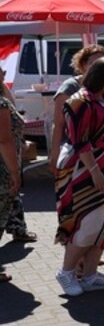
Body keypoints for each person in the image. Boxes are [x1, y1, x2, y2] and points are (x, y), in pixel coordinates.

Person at [54, 58, 104, 296]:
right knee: (86, 223)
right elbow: (80, 141)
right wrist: (95, 171)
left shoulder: (103, 99)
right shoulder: (80, 101)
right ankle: (67, 272)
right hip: (84, 169)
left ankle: (90, 275)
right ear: (99, 76)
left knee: (101, 223)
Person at [49, 45, 104, 176]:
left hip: (101, 152)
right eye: (93, 63)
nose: (98, 68)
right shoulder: (70, 88)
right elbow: (58, 124)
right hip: (74, 151)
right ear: (83, 65)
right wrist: (54, 155)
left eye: (102, 64)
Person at [0, 69, 35, 245]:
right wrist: (14, 172)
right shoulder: (1, 105)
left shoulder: (3, 101)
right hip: (4, 165)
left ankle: (17, 227)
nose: (4, 74)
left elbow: (11, 105)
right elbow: (4, 140)